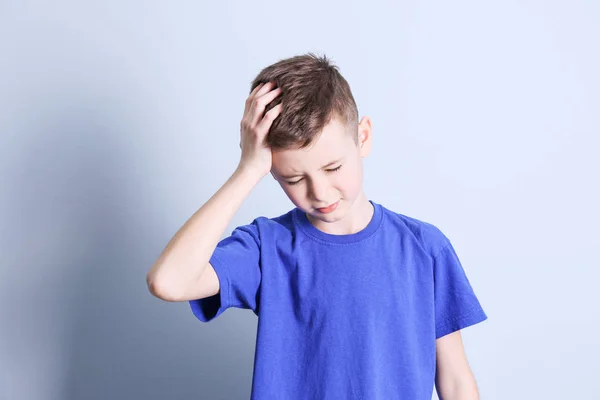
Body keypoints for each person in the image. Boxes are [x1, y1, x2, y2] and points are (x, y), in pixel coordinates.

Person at [146, 52, 488, 400]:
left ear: (363, 137)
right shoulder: (266, 247)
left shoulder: (424, 248)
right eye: (294, 178)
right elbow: (169, 281)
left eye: (333, 167)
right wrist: (247, 170)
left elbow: (456, 381)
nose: (319, 192)